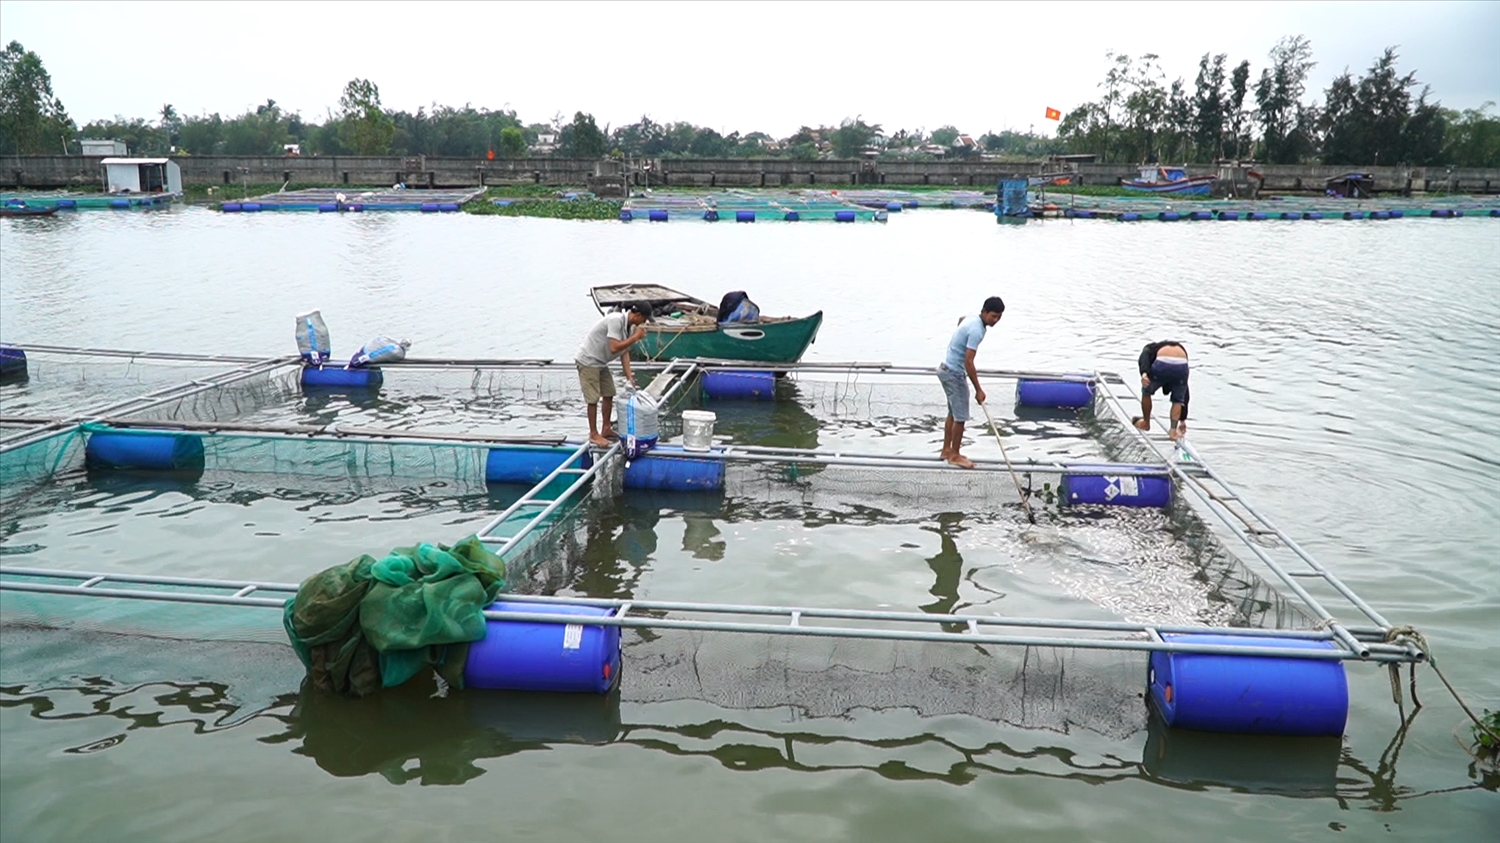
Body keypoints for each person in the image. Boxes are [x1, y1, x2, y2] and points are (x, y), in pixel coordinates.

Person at [937, 296, 1005, 468]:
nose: (995, 320)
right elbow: (969, 361)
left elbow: (961, 320)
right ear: (984, 312)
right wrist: (978, 390)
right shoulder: (977, 330)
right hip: (954, 373)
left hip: (945, 369)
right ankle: (955, 455)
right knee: (960, 417)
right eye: (993, 316)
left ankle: (946, 450)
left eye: (999, 317)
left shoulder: (972, 319)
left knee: (952, 413)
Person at [576, 302, 651, 447]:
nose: (645, 323)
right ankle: (593, 434)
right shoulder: (616, 320)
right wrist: (635, 338)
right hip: (588, 360)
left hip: (600, 361)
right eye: (645, 319)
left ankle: (606, 428)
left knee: (609, 393)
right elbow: (614, 347)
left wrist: (629, 376)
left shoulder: (630, 327)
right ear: (637, 315)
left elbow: (624, 352)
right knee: (593, 398)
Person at [1134, 340, 1190, 441]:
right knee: (1178, 400)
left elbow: (1144, 359)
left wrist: (1144, 373)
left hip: (1163, 363)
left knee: (1146, 392)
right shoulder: (1176, 349)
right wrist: (1182, 420)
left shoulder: (1149, 349)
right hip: (1182, 364)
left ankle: (1146, 423)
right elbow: (1185, 394)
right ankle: (1173, 431)